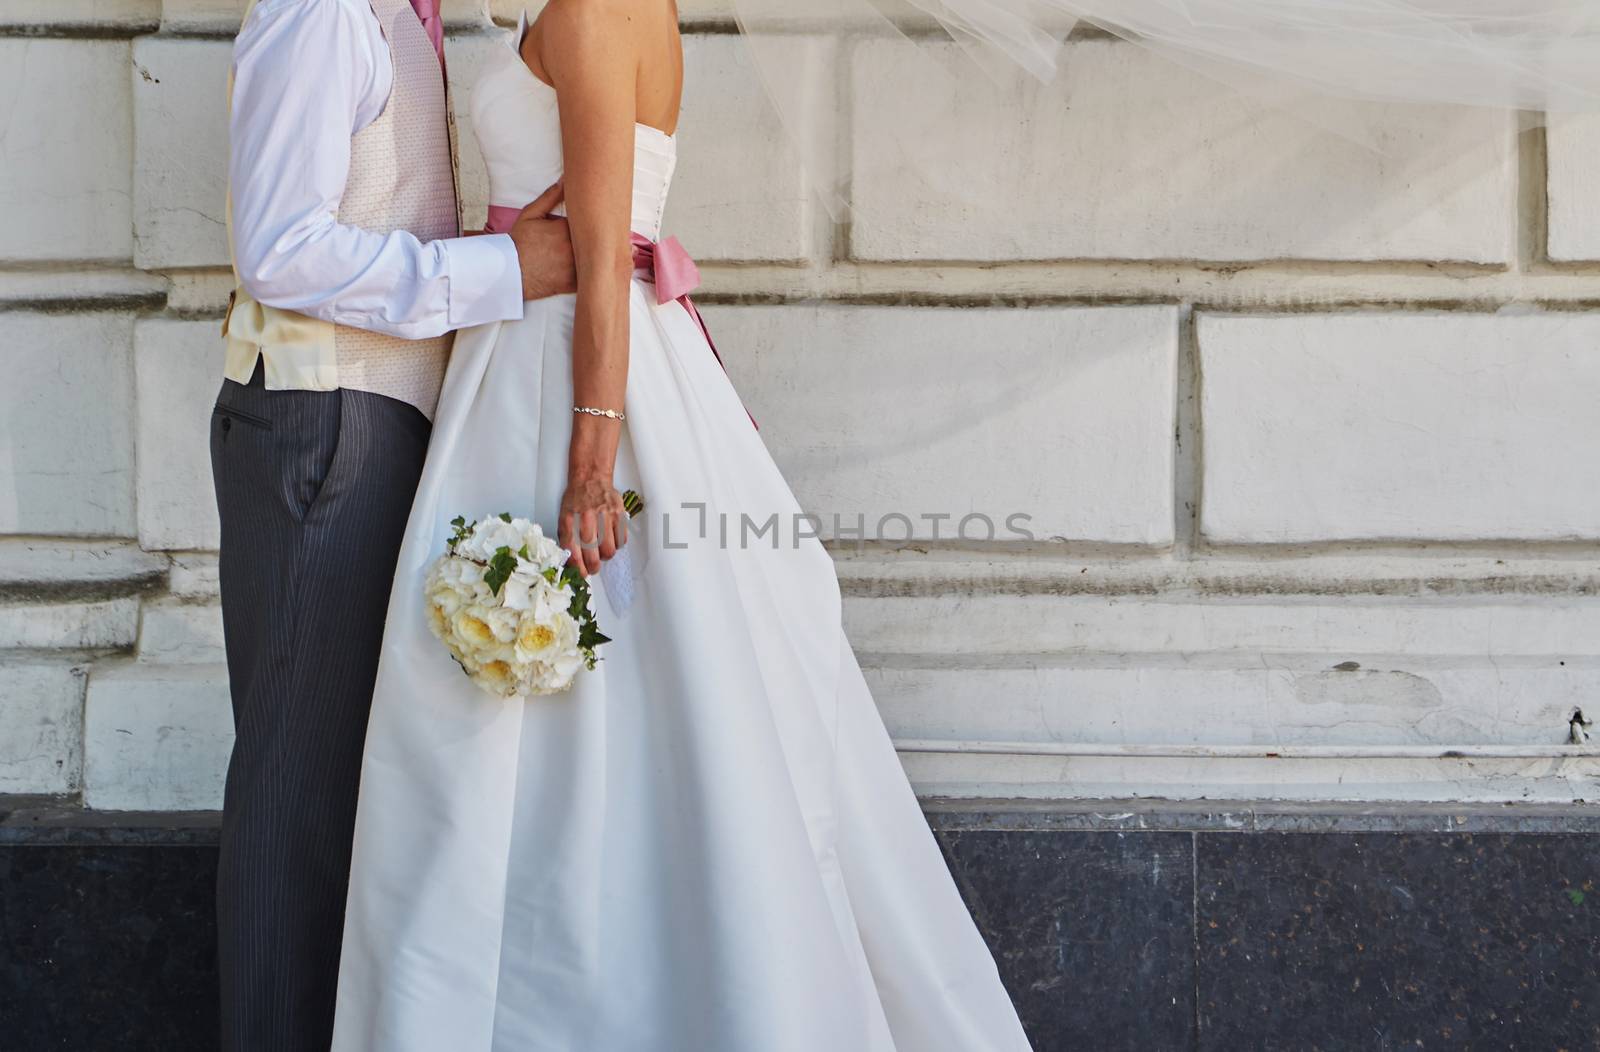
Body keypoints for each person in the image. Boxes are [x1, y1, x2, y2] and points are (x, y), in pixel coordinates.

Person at [330, 2, 1034, 1049]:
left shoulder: (597, 8)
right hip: (530, 355)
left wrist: (590, 458)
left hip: (569, 367)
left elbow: (606, 252)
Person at [211, 1, 577, 1048]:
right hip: (322, 422)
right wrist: (506, 272)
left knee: (341, 788)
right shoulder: (321, 12)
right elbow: (281, 248)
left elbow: (375, 216)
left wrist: (501, 247)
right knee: (300, 796)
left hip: (366, 420)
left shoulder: (401, 16)